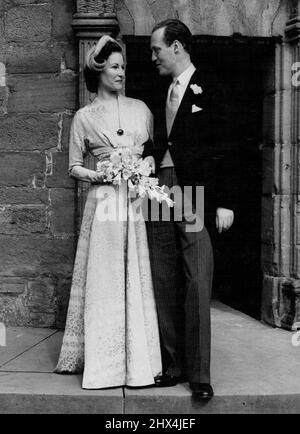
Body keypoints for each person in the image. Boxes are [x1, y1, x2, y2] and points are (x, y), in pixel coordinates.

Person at [55, 35, 162, 389]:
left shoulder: (141, 109)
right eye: (115, 67)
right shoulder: (84, 118)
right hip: (103, 204)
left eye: (123, 68)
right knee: (105, 278)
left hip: (133, 202)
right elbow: (72, 166)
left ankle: (137, 364)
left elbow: (153, 154)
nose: (121, 74)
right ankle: (104, 364)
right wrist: (98, 174)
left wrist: (145, 162)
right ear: (99, 70)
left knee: (134, 274)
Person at [148, 19, 234, 400]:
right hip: (159, 189)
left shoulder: (213, 86)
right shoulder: (158, 90)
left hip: (194, 191)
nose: (153, 57)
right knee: (164, 276)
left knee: (197, 277)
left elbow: (228, 146)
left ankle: (199, 374)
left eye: (157, 50)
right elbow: (157, 141)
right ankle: (172, 364)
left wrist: (225, 201)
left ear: (178, 47)